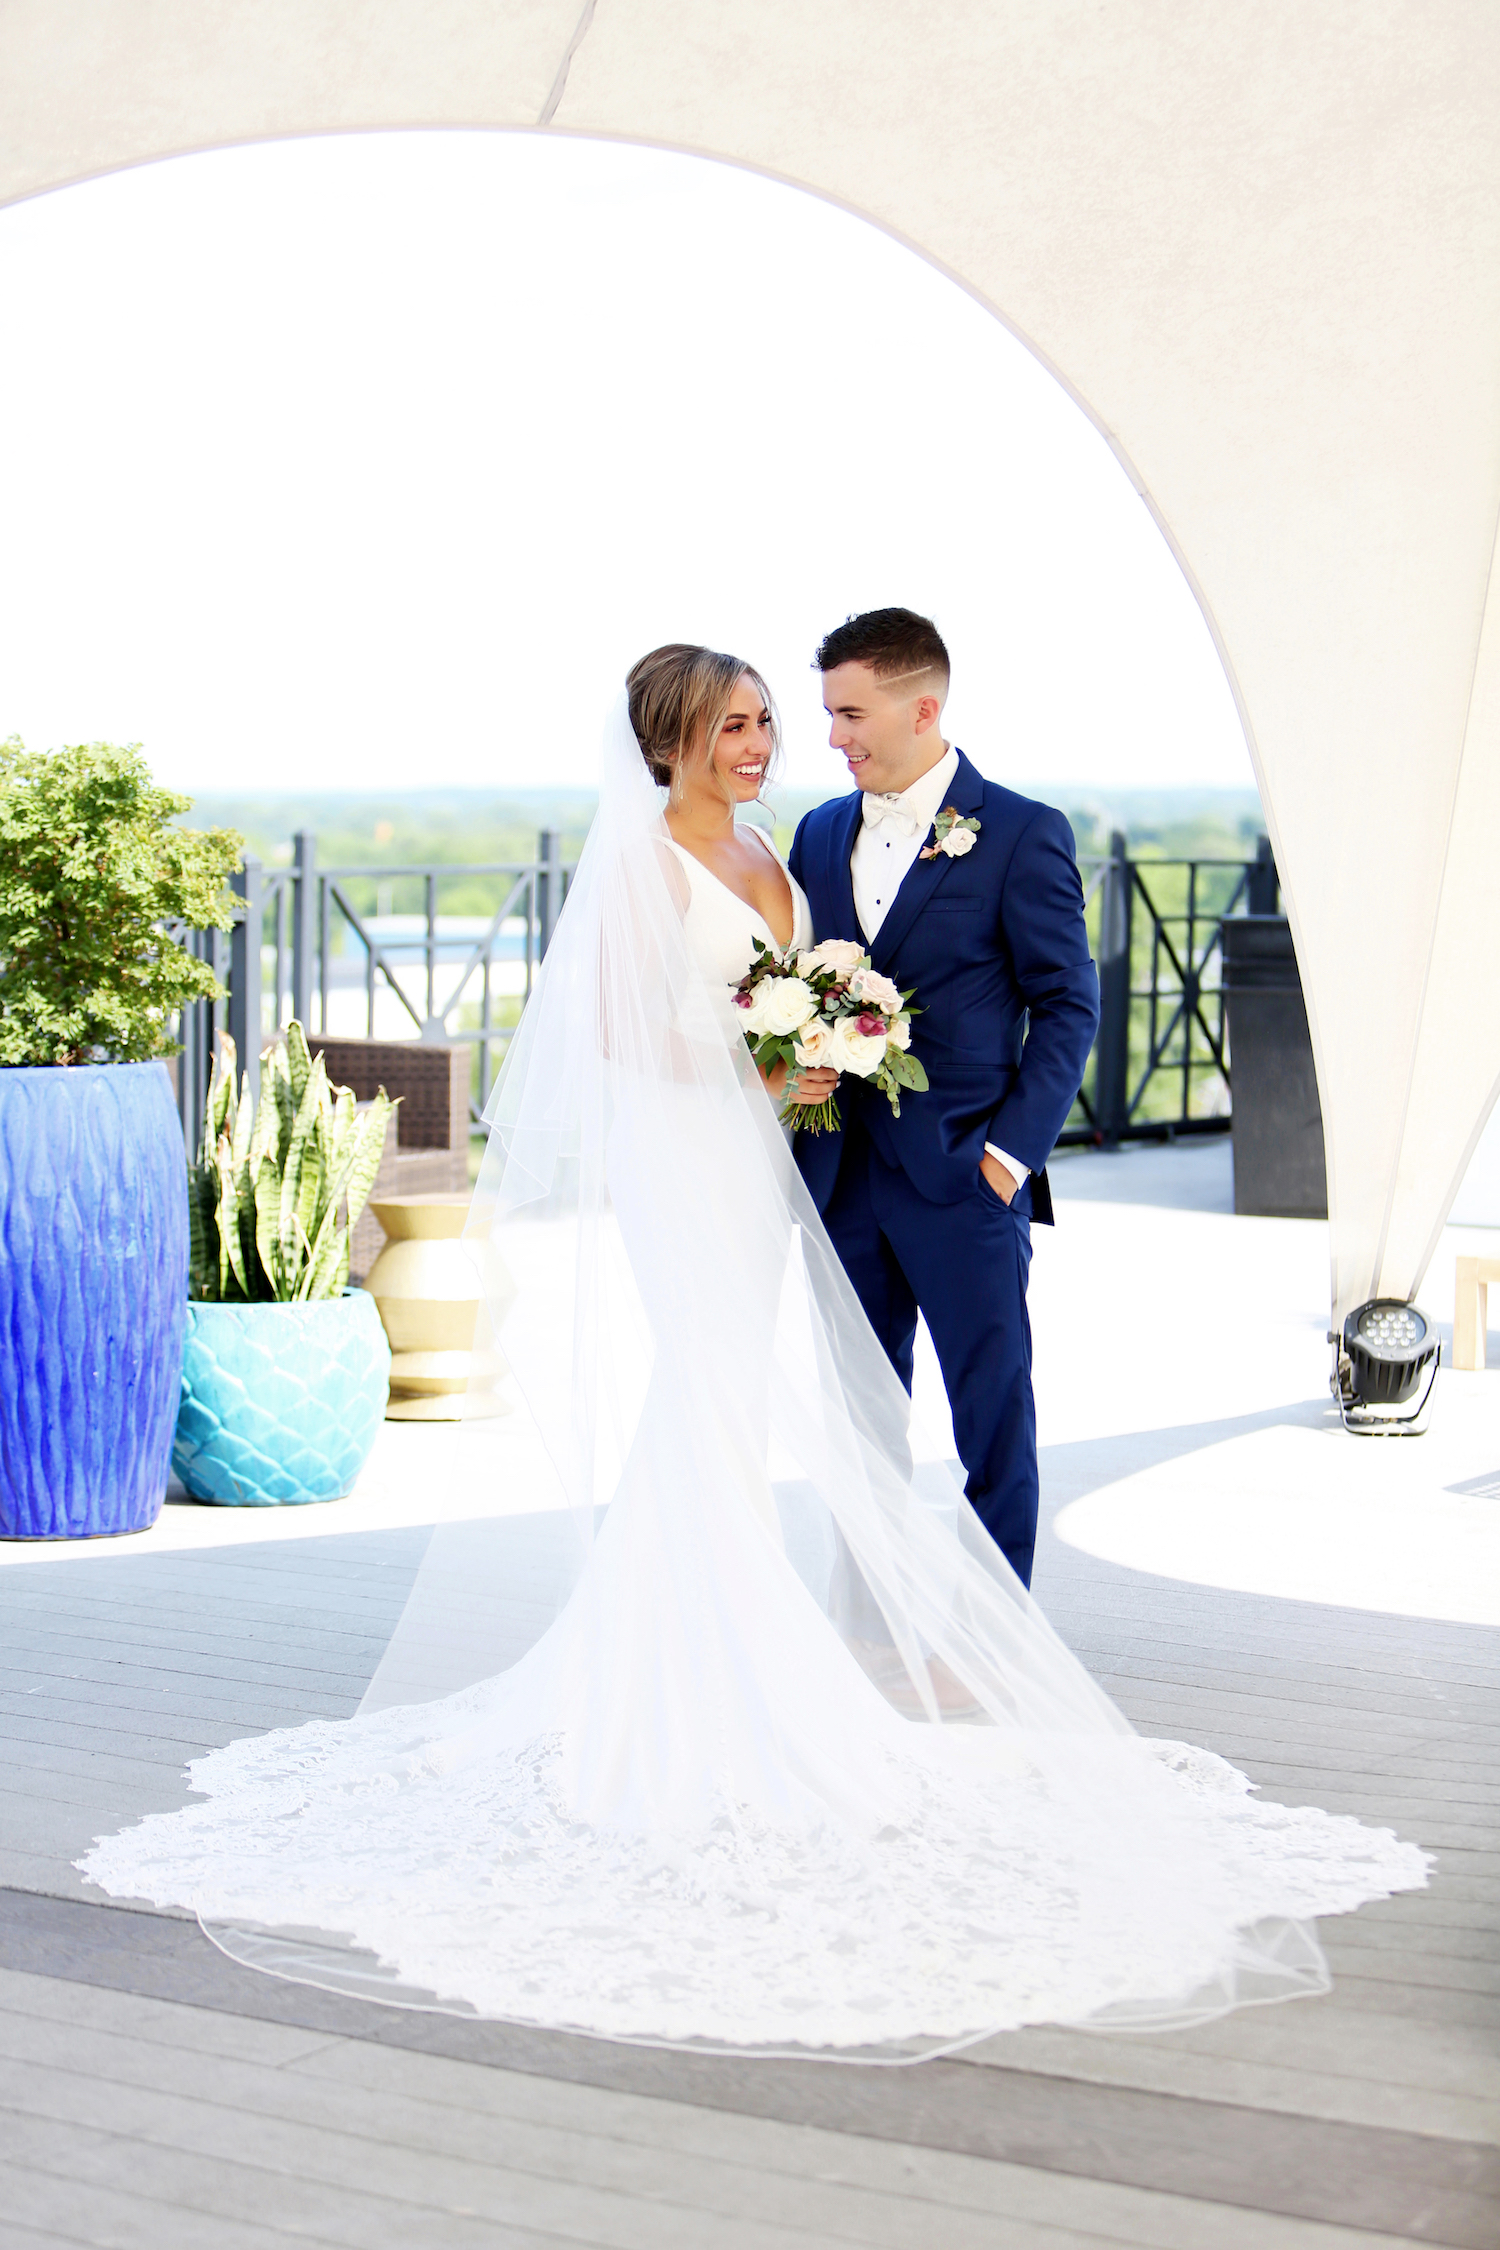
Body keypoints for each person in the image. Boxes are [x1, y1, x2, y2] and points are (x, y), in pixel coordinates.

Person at [79, 645, 1427, 2055]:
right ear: (668, 737)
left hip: (788, 1159)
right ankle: (702, 1668)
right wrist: (773, 1054)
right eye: (740, 722)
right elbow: (622, 1038)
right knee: (719, 1385)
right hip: (696, 1160)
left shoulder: (788, 845)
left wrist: (823, 1056)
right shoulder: (645, 860)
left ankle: (810, 1638)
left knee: (771, 1400)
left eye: (776, 718)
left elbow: (934, 988)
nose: (768, 740)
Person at [790, 609, 1097, 1589]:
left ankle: (997, 1634)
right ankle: (867, 1623)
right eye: (829, 715)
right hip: (840, 1184)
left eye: (850, 713)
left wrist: (1009, 1157)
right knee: (860, 1423)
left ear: (922, 707)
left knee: (992, 1417)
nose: (834, 737)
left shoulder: (1019, 834)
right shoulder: (818, 832)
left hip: (968, 1180)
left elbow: (1067, 1004)